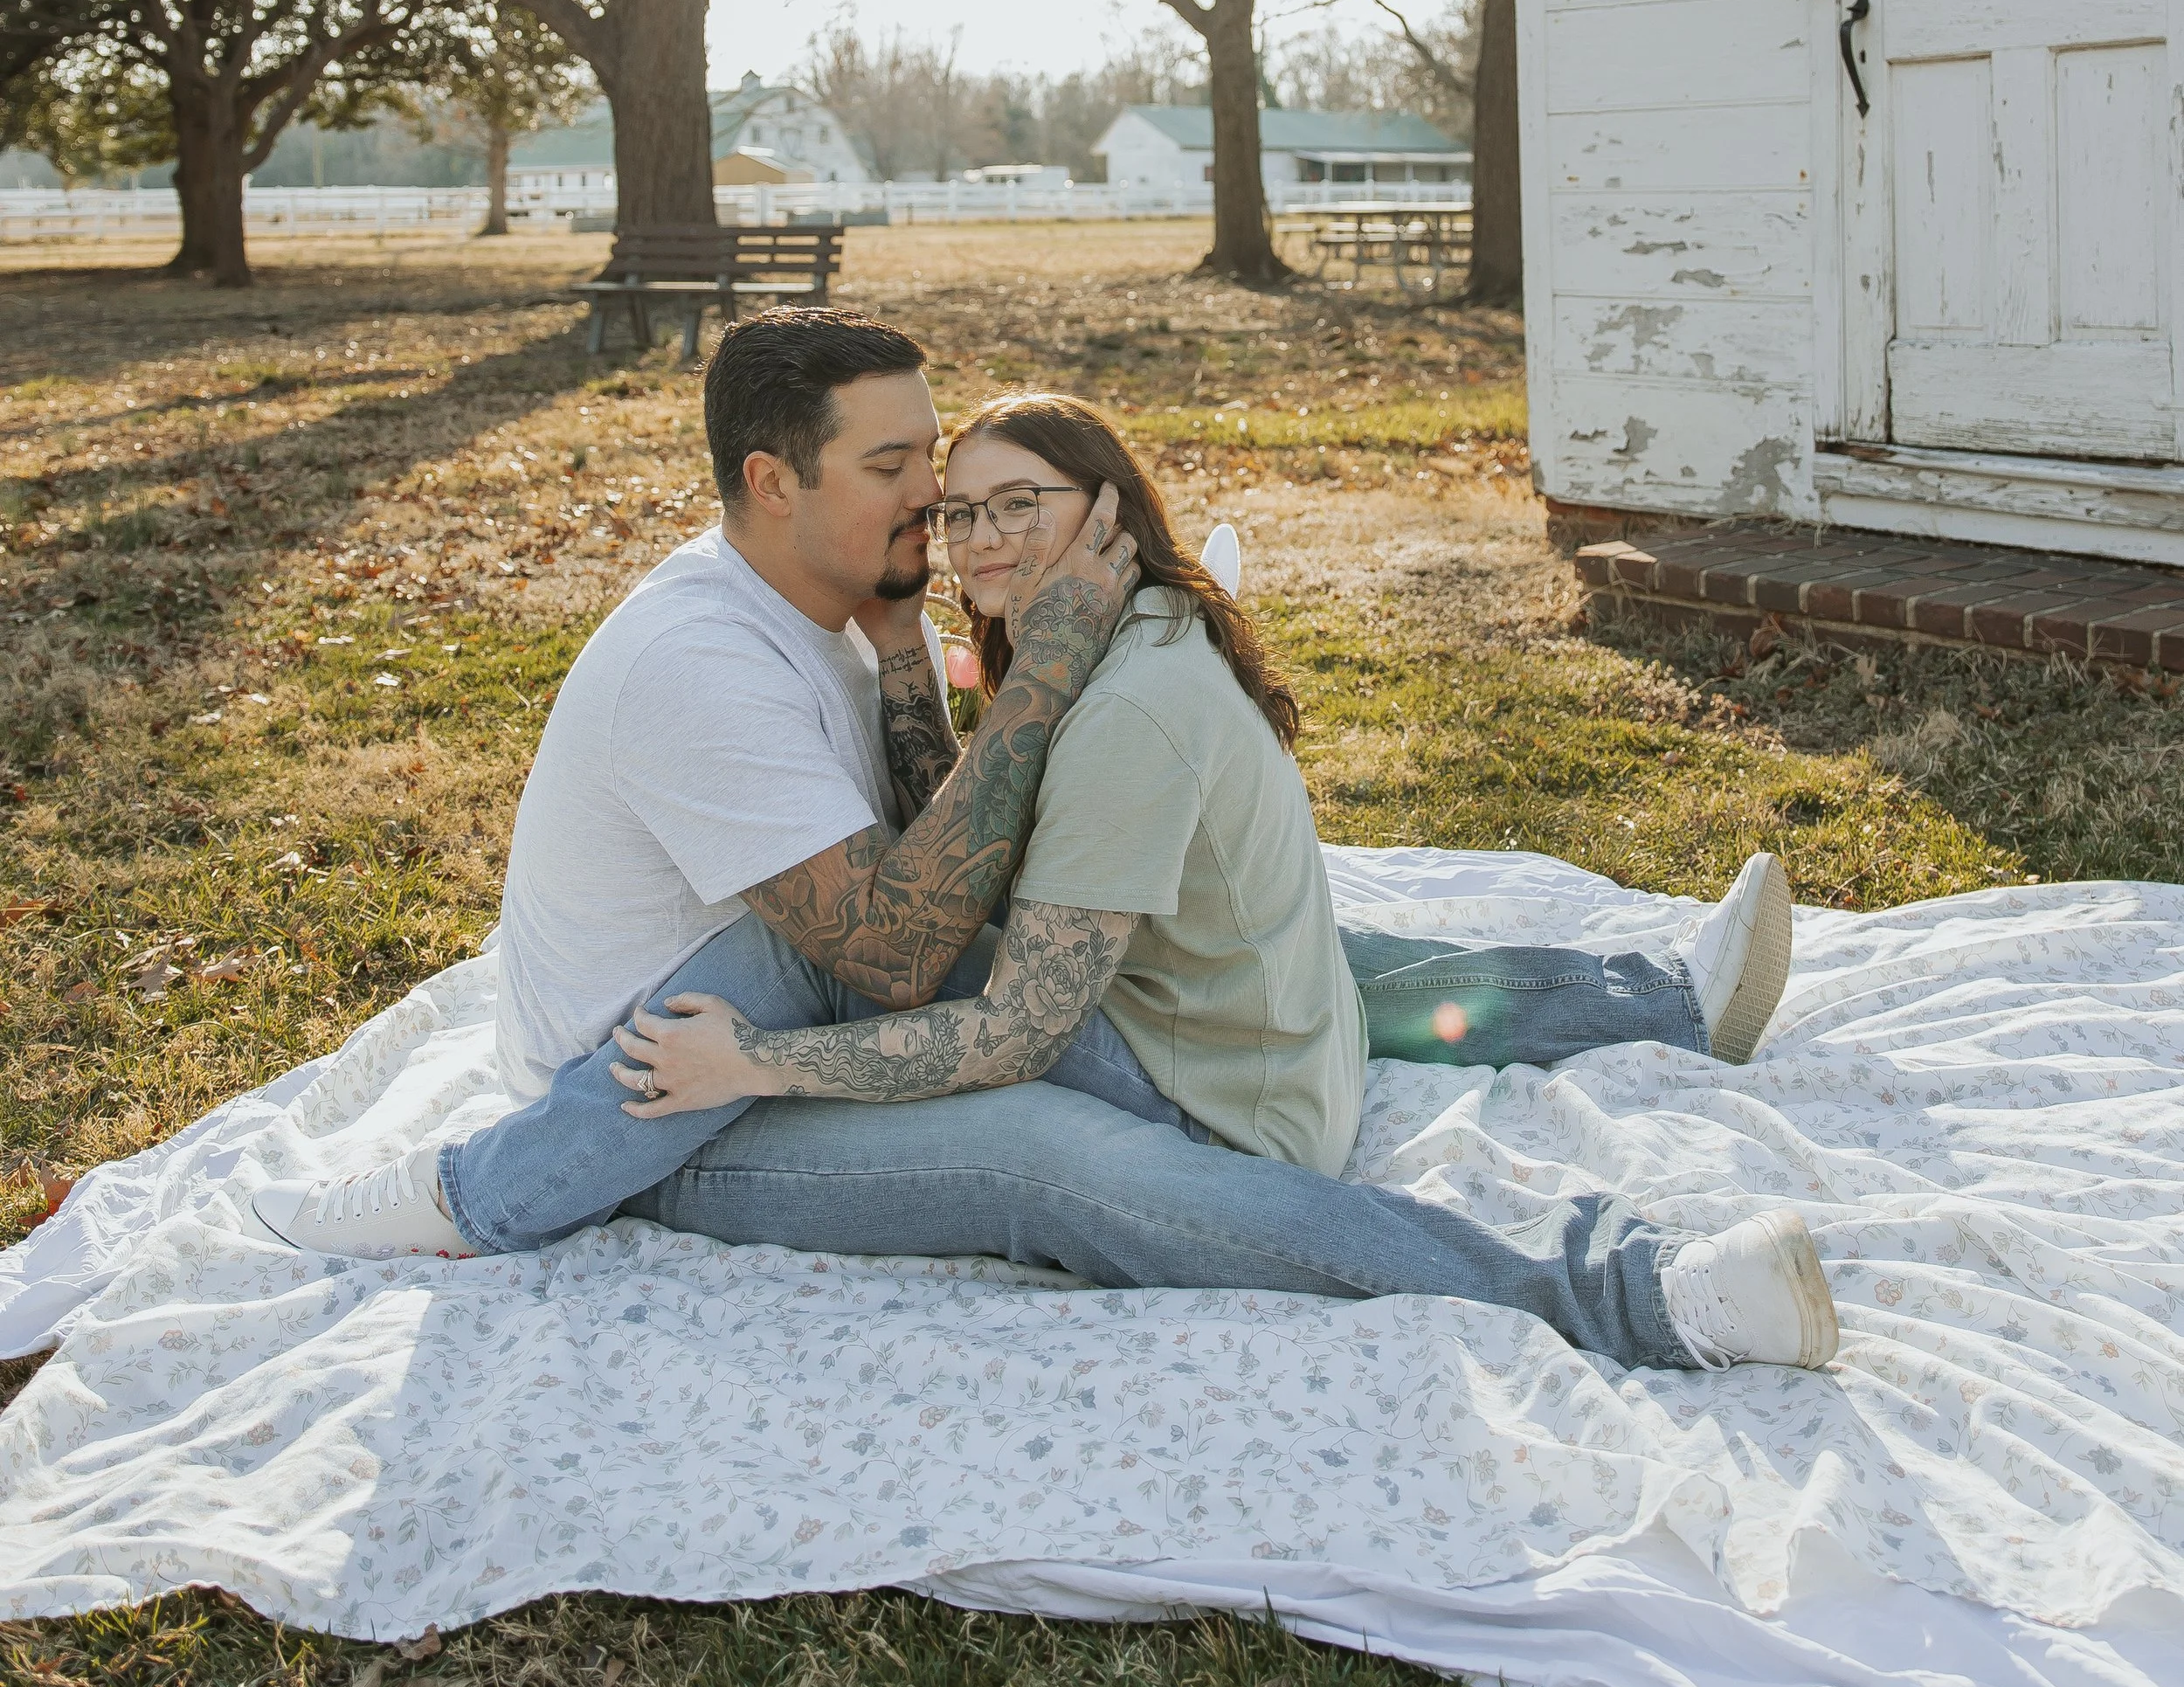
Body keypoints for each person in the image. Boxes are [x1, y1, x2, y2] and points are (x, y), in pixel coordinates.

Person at [257, 320, 1835, 1374]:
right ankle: (1634, 1293)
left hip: (798, 998)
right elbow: (878, 941)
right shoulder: (703, 663)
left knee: (1228, 953)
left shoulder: (837, 605)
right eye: (903, 478)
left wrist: (899, 667)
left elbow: (927, 866)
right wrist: (1042, 680)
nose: (940, 512)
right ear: (770, 480)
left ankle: (1650, 999)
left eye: (944, 476)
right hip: (667, 1080)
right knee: (1059, 1157)